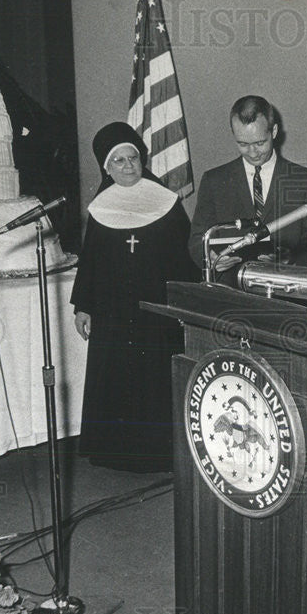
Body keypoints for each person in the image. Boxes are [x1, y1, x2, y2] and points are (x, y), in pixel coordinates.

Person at [70, 122, 195, 471]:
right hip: (113, 314)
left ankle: (162, 453)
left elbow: (185, 256)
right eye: (119, 161)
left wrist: (186, 301)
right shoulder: (101, 207)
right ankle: (116, 453)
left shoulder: (166, 202)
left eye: (133, 158)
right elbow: (90, 261)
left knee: (156, 379)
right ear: (106, 168)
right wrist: (84, 308)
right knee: (117, 379)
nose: (128, 166)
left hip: (157, 311)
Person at [188, 95, 307, 276]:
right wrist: (210, 258)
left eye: (260, 143)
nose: (253, 153)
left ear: (274, 131)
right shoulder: (214, 181)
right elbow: (198, 239)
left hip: (286, 293)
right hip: (231, 293)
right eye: (243, 144)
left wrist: (290, 260)